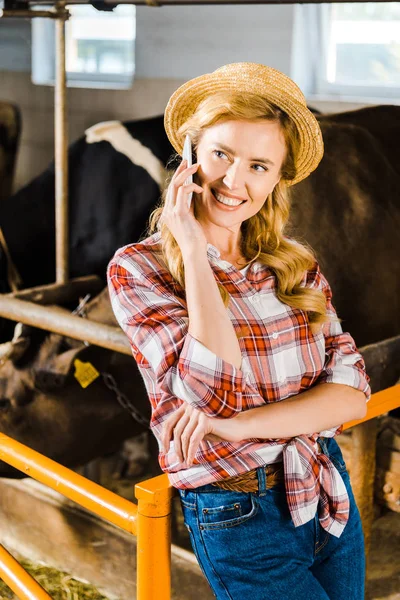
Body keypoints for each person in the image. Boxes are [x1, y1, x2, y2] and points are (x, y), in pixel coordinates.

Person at [107, 62, 371, 600]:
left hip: (325, 486)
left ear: (277, 179)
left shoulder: (294, 266)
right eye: (222, 154)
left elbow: (351, 395)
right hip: (238, 513)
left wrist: (236, 428)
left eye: (259, 165)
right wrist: (194, 251)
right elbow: (211, 394)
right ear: (190, 156)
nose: (235, 181)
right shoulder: (137, 269)